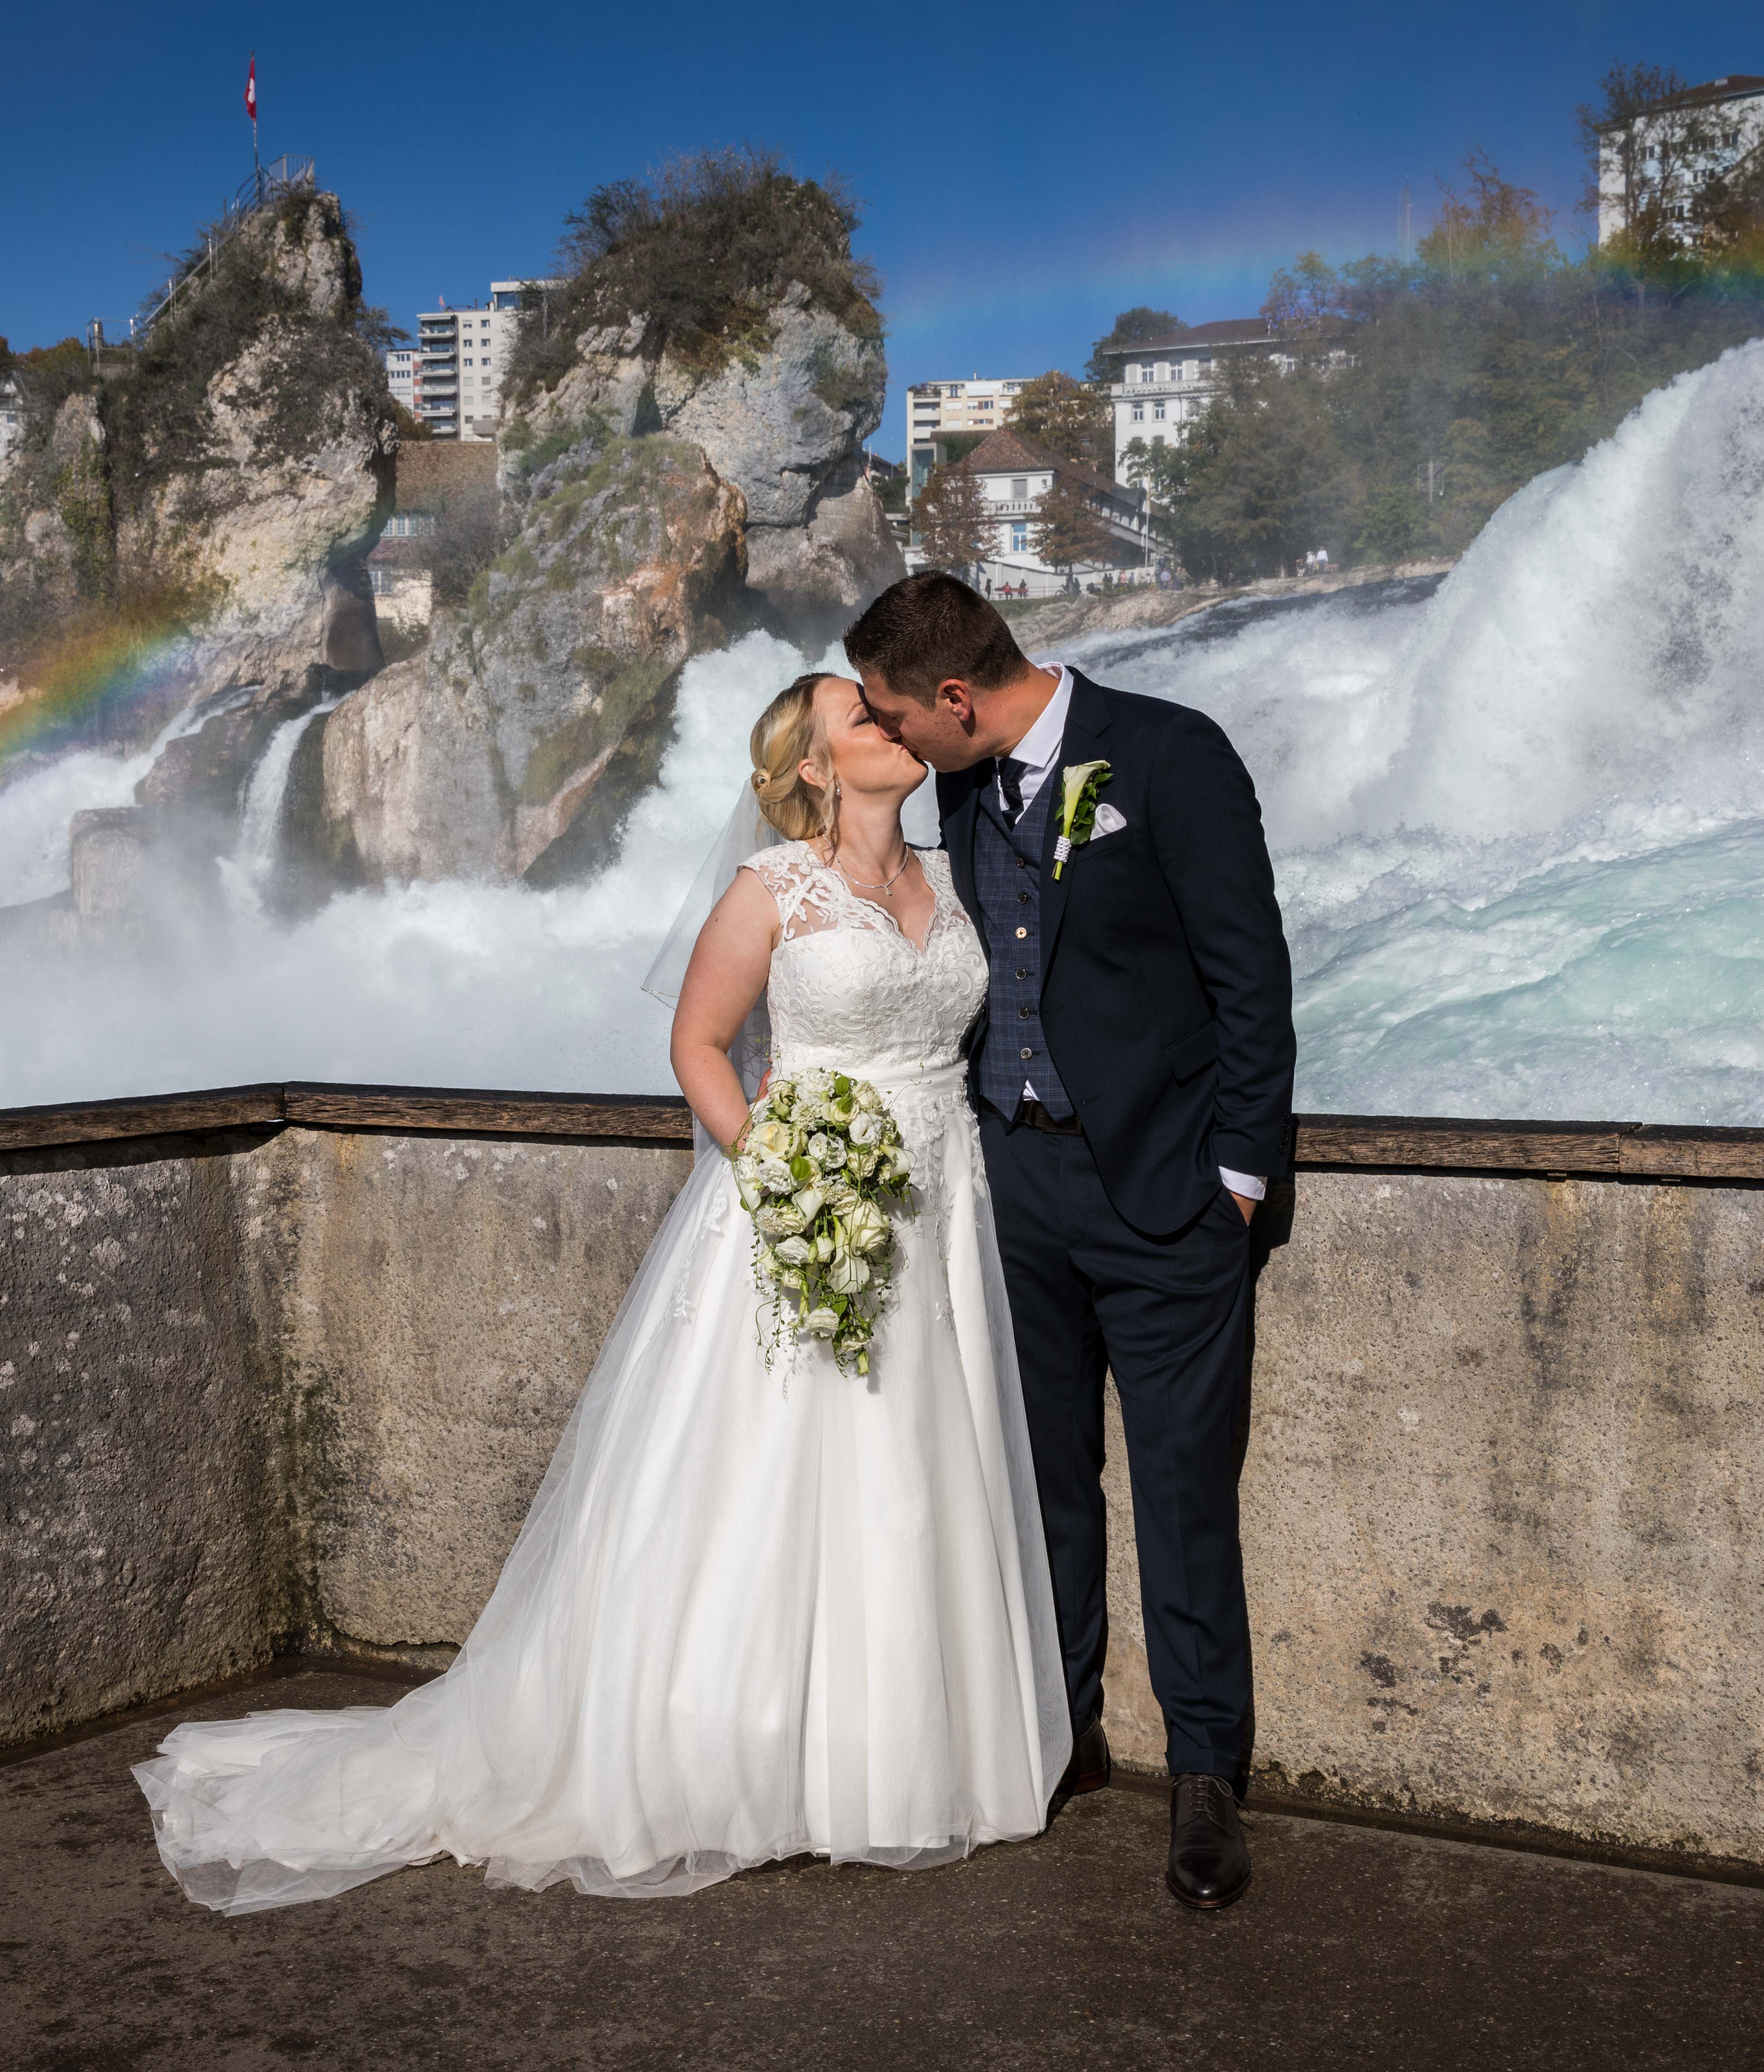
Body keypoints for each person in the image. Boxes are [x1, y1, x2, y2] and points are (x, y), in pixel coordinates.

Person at [133, 670, 1068, 1911]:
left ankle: (903, 1757)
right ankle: (748, 1755)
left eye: (895, 713)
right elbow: (695, 1047)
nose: (893, 727)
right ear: (812, 768)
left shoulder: (956, 882)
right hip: (803, 1205)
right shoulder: (769, 891)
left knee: (920, 1462)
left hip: (945, 1202)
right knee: (783, 1470)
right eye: (864, 719)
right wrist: (786, 1176)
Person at [845, 570, 1295, 1911]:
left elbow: (1249, 976)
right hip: (1015, 1195)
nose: (892, 741)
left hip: (1167, 1204)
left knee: (1181, 1494)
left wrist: (1239, 1179)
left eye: (894, 716)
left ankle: (1206, 1778)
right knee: (1041, 1488)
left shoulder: (1172, 755)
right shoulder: (966, 784)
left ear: (956, 698)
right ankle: (1066, 1738)